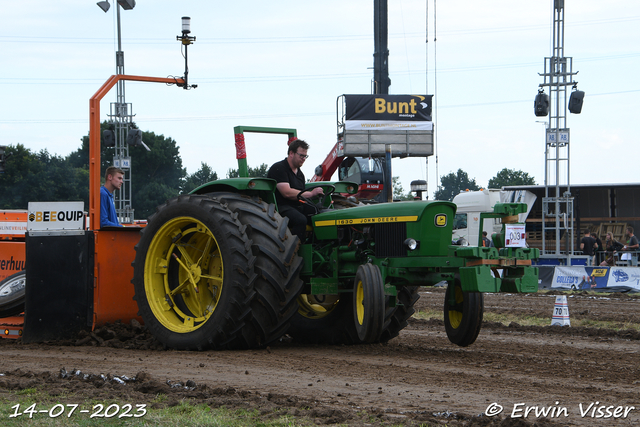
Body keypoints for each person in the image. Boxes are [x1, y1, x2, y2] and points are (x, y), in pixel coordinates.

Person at [267, 139, 324, 243]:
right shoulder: (279, 168)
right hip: (280, 207)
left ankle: (316, 246)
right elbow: (287, 193)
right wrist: (311, 193)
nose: (303, 159)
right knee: (300, 220)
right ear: (291, 153)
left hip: (296, 206)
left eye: (305, 156)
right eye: (301, 155)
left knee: (320, 215)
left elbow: (301, 196)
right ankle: (295, 251)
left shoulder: (300, 174)